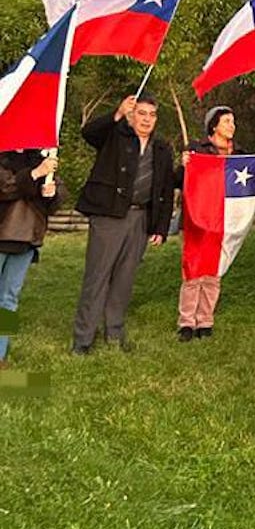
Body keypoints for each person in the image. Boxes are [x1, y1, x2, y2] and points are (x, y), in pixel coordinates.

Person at [71, 94, 175, 355]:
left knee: (124, 279)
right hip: (109, 216)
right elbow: (88, 133)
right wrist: (116, 114)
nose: (147, 119)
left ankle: (114, 334)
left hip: (140, 220)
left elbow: (165, 189)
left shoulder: (161, 148)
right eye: (141, 113)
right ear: (131, 115)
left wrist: (160, 228)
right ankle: (83, 339)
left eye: (152, 115)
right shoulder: (114, 135)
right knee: (97, 277)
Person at [175, 106, 255, 342]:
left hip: (224, 221)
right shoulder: (197, 150)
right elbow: (179, 181)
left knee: (214, 271)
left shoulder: (240, 154)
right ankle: (187, 321)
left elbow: (249, 187)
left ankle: (205, 319)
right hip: (198, 217)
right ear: (213, 125)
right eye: (226, 121)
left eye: (233, 121)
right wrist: (184, 165)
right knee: (194, 270)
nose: (231, 125)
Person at [0, 150, 60, 367]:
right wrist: (34, 174)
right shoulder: (3, 156)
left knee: (9, 299)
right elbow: (5, 187)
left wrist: (51, 192)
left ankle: (0, 353)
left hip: (27, 239)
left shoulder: (42, 158)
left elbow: (55, 201)